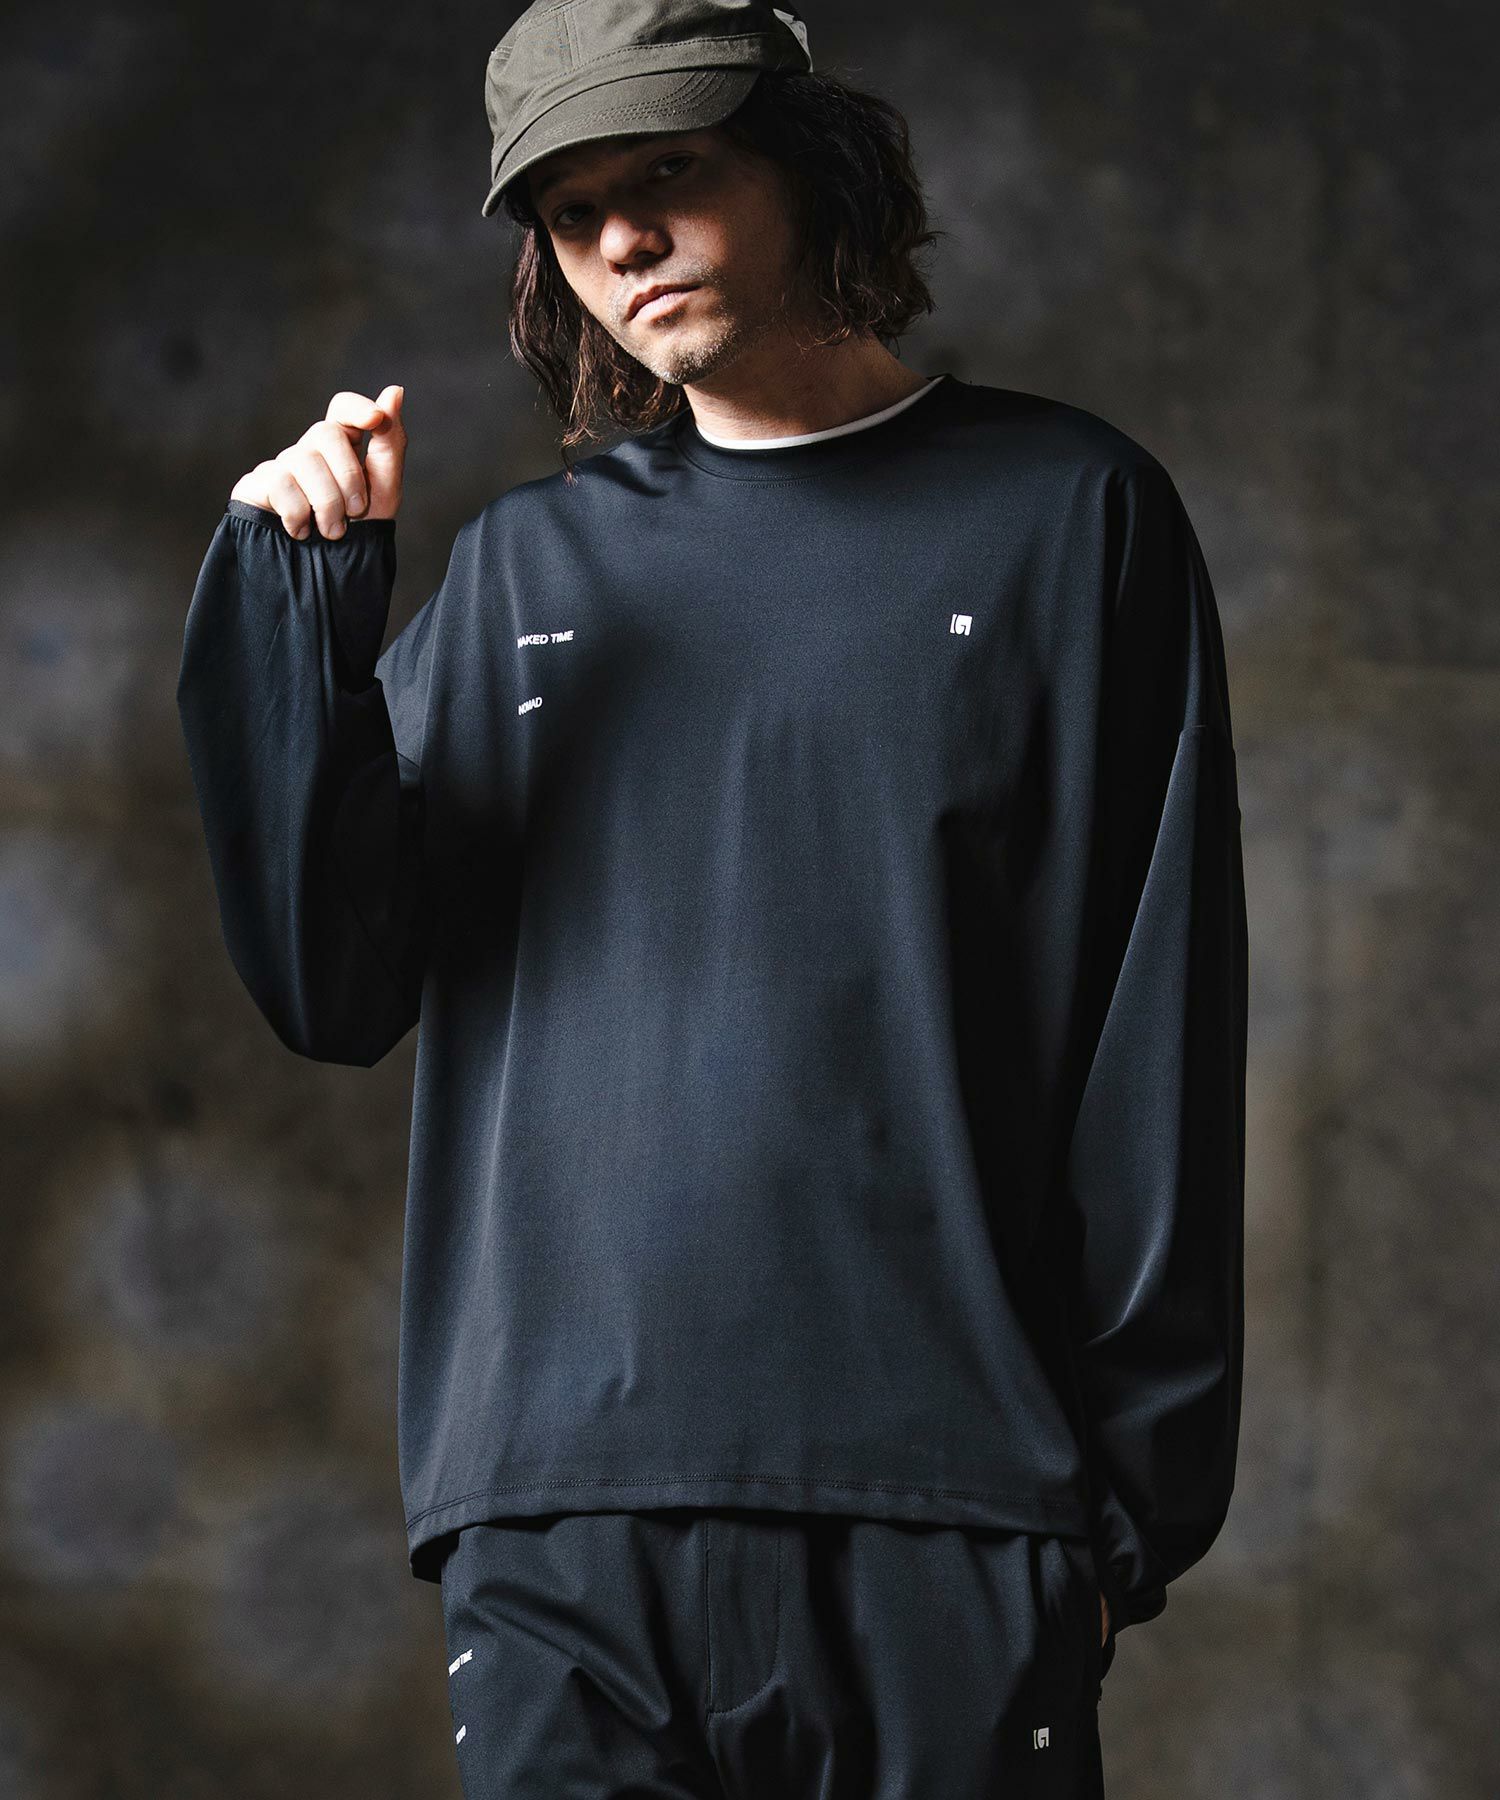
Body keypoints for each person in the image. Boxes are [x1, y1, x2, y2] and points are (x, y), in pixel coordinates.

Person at [175, 1, 1248, 1794]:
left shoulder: (1071, 518)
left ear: (808, 165)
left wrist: (1115, 1522)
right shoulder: (524, 571)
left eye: (669, 169)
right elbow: (329, 983)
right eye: (570, 211)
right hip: (560, 1519)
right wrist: (296, 607)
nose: (623, 240)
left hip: (952, 1504)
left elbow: (1161, 1025)